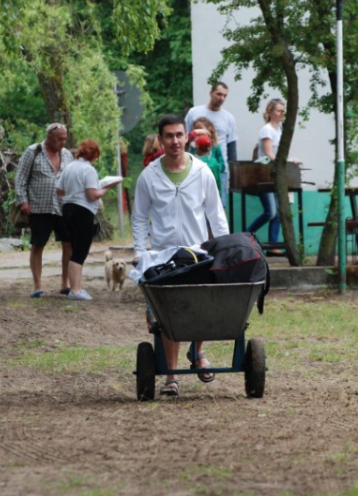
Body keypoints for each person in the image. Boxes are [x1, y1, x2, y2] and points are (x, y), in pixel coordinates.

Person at [132, 114, 230, 397]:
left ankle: (198, 352)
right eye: (169, 136)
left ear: (187, 137)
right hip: (163, 257)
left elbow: (216, 214)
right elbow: (139, 218)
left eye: (179, 135)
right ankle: (171, 375)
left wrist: (222, 249)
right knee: (167, 315)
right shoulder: (149, 176)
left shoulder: (202, 172)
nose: (175, 141)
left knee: (202, 306)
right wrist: (140, 253)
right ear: (160, 140)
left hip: (197, 253)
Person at [15, 123, 73, 298]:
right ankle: (38, 286)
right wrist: (22, 201)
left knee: (68, 243)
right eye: (60, 139)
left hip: (63, 207)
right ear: (49, 137)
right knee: (38, 245)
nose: (63, 142)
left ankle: (66, 283)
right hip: (40, 207)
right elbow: (20, 178)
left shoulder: (67, 154)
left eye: (65, 138)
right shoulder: (33, 151)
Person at [56, 140, 115, 301]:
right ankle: (75, 290)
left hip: (67, 209)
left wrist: (74, 191)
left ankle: (76, 286)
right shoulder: (88, 170)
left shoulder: (69, 167)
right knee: (80, 252)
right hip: (82, 212)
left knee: (74, 250)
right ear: (94, 155)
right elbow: (92, 195)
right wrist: (107, 188)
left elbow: (59, 190)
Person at [184, 82, 238, 206]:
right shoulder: (194, 113)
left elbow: (231, 148)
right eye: (219, 94)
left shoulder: (229, 118)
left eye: (225, 95)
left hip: (219, 169)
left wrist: (232, 173)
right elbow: (185, 138)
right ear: (211, 93)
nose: (221, 98)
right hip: (195, 168)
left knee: (219, 205)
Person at [246, 99, 285, 253]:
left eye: (283, 110)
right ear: (270, 113)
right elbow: (269, 154)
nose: (281, 113)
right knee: (271, 212)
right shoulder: (266, 130)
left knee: (278, 213)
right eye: (278, 110)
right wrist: (283, 162)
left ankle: (273, 246)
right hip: (265, 175)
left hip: (275, 175)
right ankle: (247, 233)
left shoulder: (279, 129)